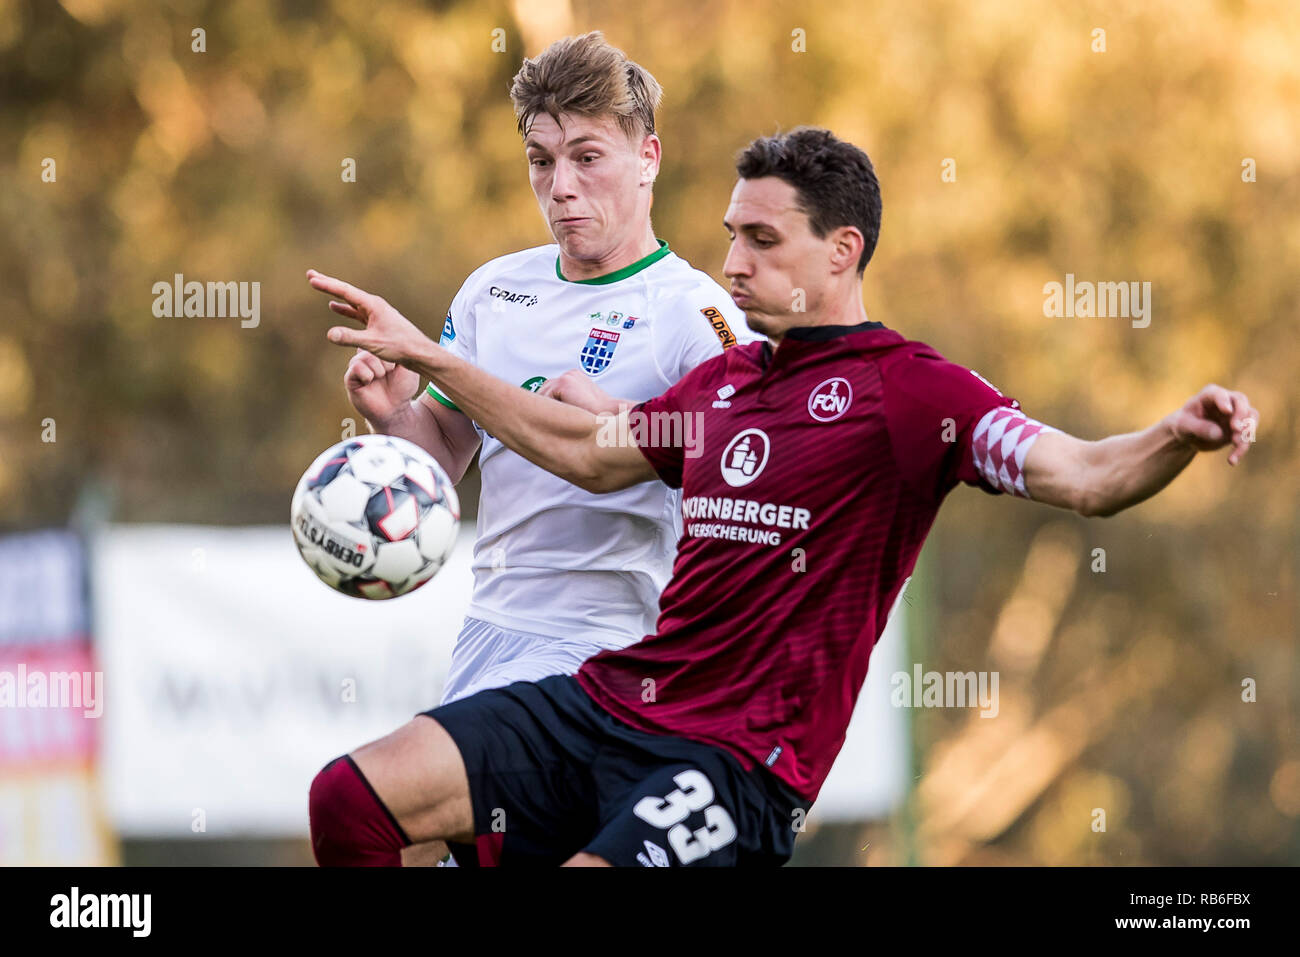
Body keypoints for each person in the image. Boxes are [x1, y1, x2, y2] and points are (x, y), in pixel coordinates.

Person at [306, 127, 1259, 866]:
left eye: (763, 241)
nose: (733, 264)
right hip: (610, 705)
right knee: (350, 799)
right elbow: (587, 452)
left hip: (738, 767)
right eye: (731, 237)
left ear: (842, 251)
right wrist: (437, 365)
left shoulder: (913, 394)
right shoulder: (722, 386)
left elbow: (1087, 477)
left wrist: (1173, 434)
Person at [318, 32, 758, 864]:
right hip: (489, 633)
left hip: (612, 649)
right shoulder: (495, 290)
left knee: (372, 808)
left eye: (587, 157)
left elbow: (749, 456)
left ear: (647, 157)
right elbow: (443, 459)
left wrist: (622, 418)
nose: (561, 188)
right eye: (540, 160)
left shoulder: (692, 311)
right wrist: (393, 417)